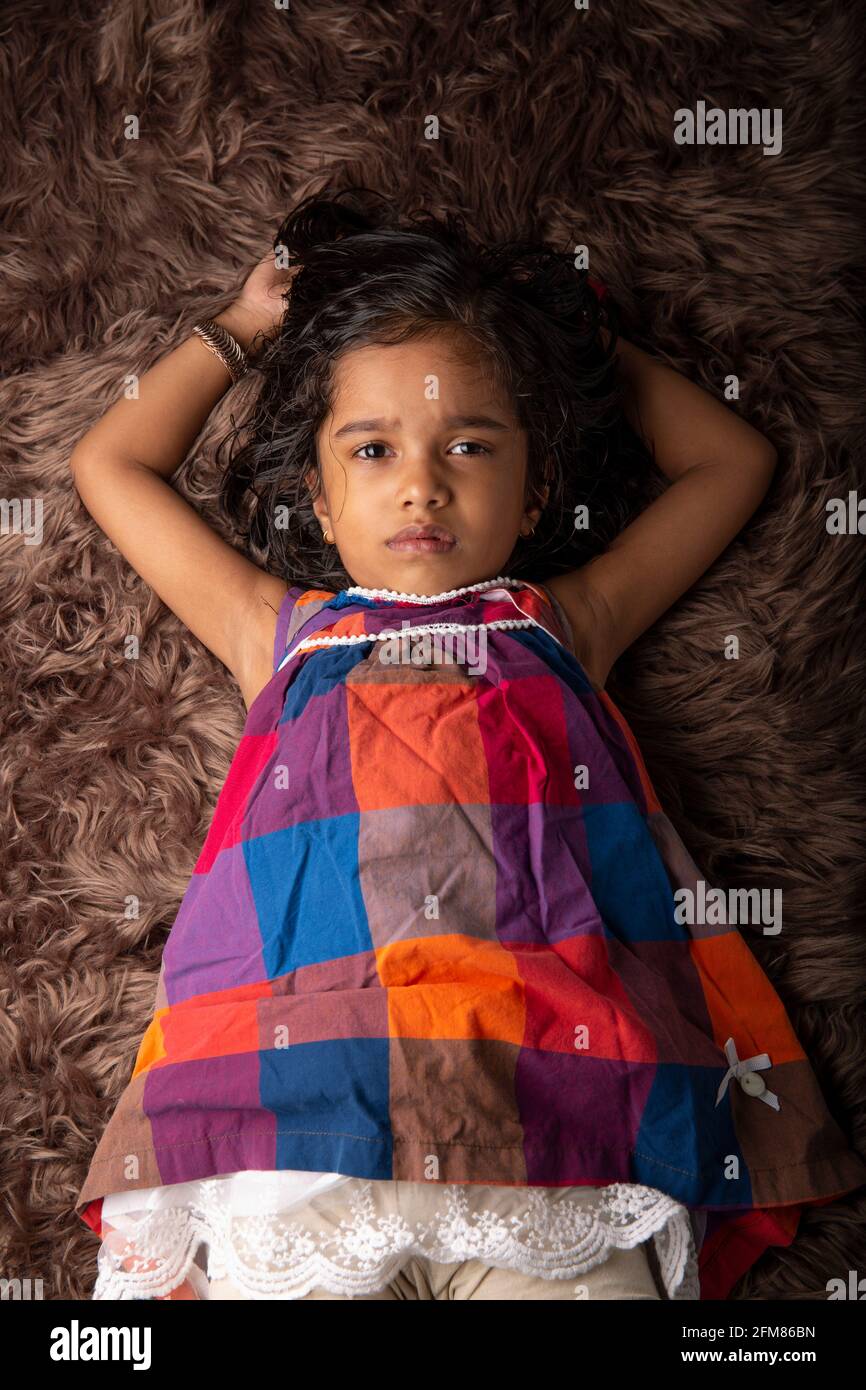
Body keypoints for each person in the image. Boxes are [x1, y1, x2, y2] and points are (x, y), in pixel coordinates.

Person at [69, 188, 866, 1301]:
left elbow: (729, 461)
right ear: (320, 491)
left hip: (542, 1103)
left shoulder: (561, 621)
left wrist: (565, 341)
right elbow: (111, 467)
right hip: (298, 1110)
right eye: (373, 448)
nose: (421, 482)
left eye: (472, 444)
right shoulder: (278, 630)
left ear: (536, 482)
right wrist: (240, 329)